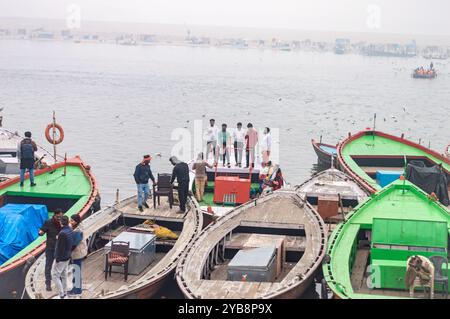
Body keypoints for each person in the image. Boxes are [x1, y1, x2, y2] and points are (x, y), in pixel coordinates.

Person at [38, 208, 63, 291]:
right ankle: (48, 284)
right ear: (54, 215)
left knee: (60, 266)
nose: (59, 218)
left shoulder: (63, 222)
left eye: (60, 216)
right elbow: (42, 231)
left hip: (59, 248)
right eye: (58, 216)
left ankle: (61, 282)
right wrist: (40, 232)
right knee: (48, 266)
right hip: (50, 248)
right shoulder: (48, 222)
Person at [52, 215, 73, 299]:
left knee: (54, 275)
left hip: (61, 258)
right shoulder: (70, 230)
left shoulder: (62, 233)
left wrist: (57, 258)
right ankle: (65, 293)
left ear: (61, 222)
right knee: (64, 275)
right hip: (67, 256)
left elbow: (59, 247)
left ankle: (61, 295)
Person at [68, 214, 87, 296]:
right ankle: (75, 288)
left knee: (77, 271)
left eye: (72, 221)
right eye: (70, 220)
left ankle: (77, 290)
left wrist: (67, 252)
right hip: (79, 252)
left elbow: (74, 244)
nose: (70, 222)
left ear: (76, 222)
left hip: (77, 253)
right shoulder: (77, 228)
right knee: (75, 270)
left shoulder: (78, 231)